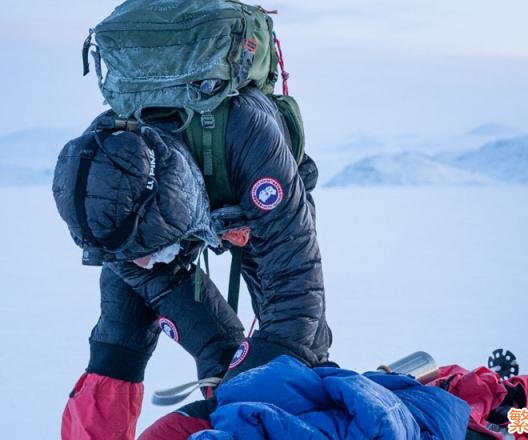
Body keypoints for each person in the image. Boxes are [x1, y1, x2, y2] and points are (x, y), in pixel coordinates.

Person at [52, 85, 332, 439]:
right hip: (171, 208)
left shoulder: (249, 137)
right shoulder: (103, 165)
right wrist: (222, 355)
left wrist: (239, 389)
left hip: (257, 211)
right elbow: (160, 281)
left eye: (144, 249)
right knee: (118, 338)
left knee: (294, 354)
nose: (139, 264)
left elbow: (296, 291)